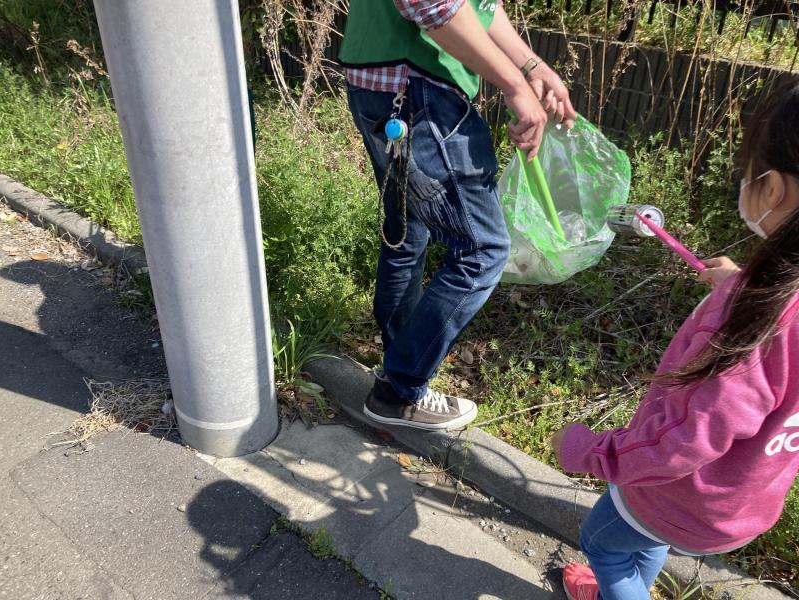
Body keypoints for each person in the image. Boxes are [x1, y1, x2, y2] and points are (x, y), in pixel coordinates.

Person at [552, 79, 799, 600]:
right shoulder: (774, 303)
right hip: (746, 499)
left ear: (774, 188)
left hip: (681, 497)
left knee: (603, 544)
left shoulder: (751, 322)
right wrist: (742, 281)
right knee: (642, 538)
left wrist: (587, 451)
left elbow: (684, 440)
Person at [339, 0, 576, 430]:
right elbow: (434, 4)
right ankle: (399, 389)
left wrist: (531, 66)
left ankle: (399, 362)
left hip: (385, 85)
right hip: (416, 90)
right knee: (482, 250)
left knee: (406, 231)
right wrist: (514, 84)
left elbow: (481, 6)